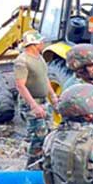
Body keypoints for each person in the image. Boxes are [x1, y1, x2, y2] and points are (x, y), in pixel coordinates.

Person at [14, 30, 58, 167]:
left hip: (43, 101)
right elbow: (20, 86)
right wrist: (34, 106)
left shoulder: (39, 58)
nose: (43, 43)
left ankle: (47, 163)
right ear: (33, 44)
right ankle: (32, 167)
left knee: (50, 132)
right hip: (32, 103)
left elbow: (45, 78)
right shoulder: (22, 61)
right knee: (38, 135)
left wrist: (53, 96)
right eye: (41, 41)